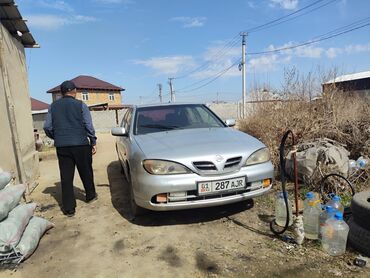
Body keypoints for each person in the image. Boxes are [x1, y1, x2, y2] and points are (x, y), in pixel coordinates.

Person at [44, 80, 97, 217]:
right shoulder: (81, 105)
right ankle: (90, 196)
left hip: (62, 146)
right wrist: (93, 140)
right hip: (80, 144)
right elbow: (88, 125)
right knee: (86, 170)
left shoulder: (53, 106)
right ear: (74, 91)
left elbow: (47, 127)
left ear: (61, 93)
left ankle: (69, 208)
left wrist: (58, 137)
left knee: (66, 176)